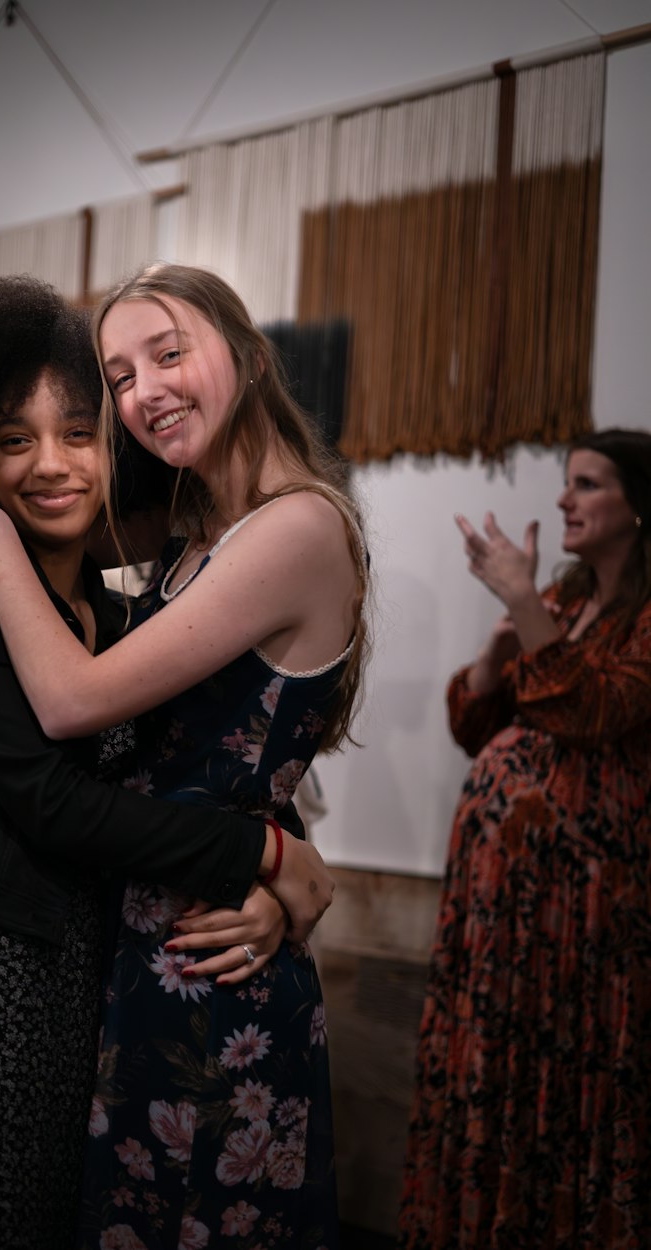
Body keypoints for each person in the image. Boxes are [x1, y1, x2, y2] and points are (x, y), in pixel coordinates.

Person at [0, 274, 333, 1250]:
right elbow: (50, 802)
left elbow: (193, 764)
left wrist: (272, 862)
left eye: (79, 434)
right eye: (12, 439)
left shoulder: (119, 616)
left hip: (71, 981)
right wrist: (254, 855)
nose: (50, 464)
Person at [398, 427, 651, 1249]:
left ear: (640, 507)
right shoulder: (572, 607)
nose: (563, 499)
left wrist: (524, 603)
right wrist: (494, 652)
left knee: (568, 1105)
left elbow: (593, 713)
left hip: (590, 928)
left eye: (588, 484)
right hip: (510, 931)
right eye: (567, 481)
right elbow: (480, 726)